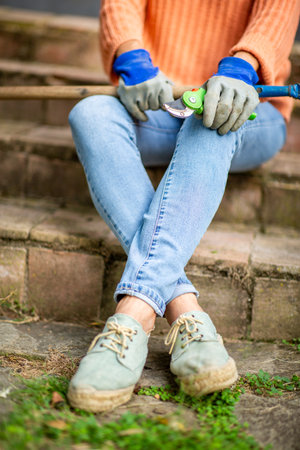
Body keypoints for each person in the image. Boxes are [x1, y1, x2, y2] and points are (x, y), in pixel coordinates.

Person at [67, 0, 299, 412]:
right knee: (91, 113)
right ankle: (183, 309)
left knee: (213, 118)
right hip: (163, 99)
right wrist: (131, 56)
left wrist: (242, 66)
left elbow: (278, 12)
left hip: (250, 104)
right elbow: (120, 6)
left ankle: (135, 313)